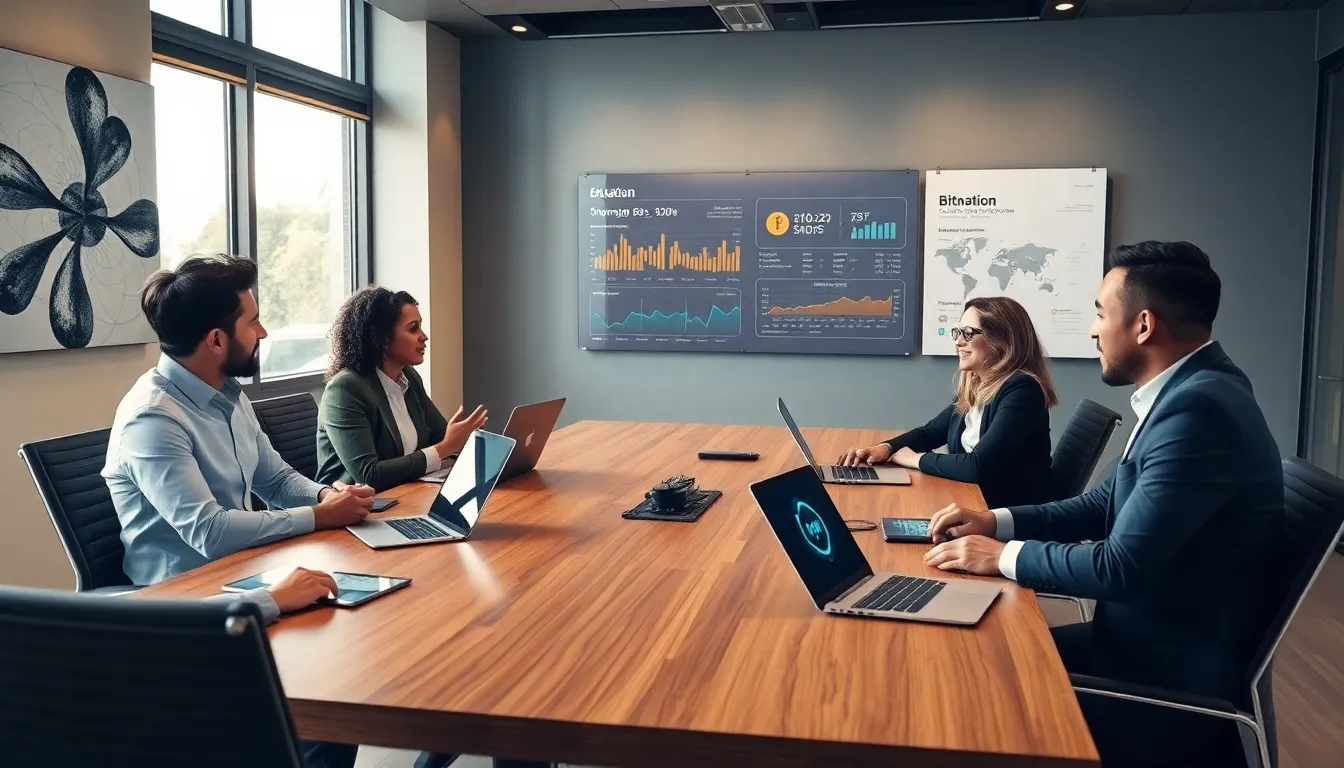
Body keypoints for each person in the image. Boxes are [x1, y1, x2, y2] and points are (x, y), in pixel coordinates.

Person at [922, 242, 1284, 767]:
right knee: (965, 654)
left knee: (963, 683)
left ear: (1142, 326)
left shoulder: (1198, 410)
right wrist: (995, 522)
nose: (1092, 330)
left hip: (1158, 678)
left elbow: (1120, 569)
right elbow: (1102, 503)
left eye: (1098, 313)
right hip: (1139, 640)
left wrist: (998, 556)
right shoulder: (1192, 390)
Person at [103, 253, 376, 768]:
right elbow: (208, 531)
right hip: (186, 600)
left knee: (358, 650)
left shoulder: (226, 394)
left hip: (243, 576)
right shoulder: (152, 420)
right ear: (216, 340)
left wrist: (324, 496)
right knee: (340, 682)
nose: (264, 330)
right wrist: (318, 519)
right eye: (252, 320)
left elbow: (273, 478)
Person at [838, 296, 1059, 508]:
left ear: (1002, 341)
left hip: (1005, 515)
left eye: (968, 333)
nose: (959, 342)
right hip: (971, 499)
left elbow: (977, 466)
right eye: (958, 332)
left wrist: (915, 459)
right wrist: (884, 448)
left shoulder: (1022, 390)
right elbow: (930, 432)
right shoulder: (977, 386)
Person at [316, 287, 488, 493]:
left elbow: (440, 436)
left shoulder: (409, 378)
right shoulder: (345, 390)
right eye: (413, 329)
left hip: (406, 493)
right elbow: (369, 475)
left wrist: (465, 440)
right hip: (353, 509)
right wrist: (445, 449)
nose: (424, 337)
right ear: (382, 339)